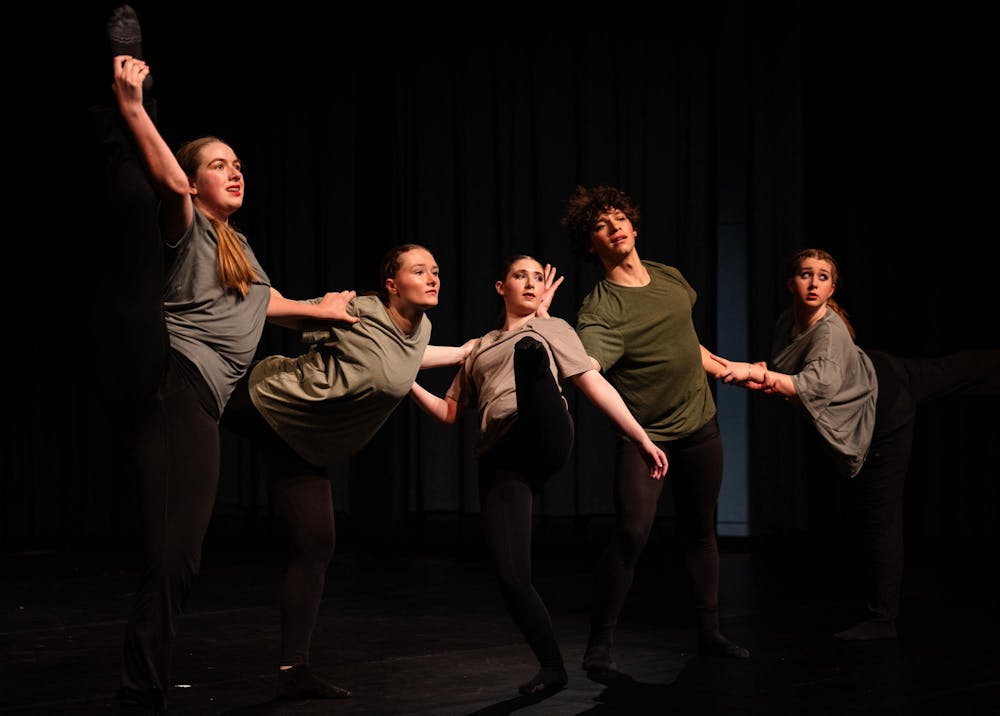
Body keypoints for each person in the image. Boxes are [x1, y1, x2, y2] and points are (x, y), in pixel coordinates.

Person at [90, 6, 357, 714]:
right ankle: (139, 690)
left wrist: (320, 311)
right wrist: (133, 105)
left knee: (284, 422)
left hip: (219, 389)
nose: (233, 172)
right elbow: (170, 186)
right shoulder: (186, 222)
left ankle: (296, 651)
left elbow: (259, 304)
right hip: (179, 383)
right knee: (178, 554)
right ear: (194, 177)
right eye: (218, 164)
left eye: (238, 163)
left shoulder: (236, 245)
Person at [219, 243, 475, 699]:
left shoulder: (420, 330)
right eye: (420, 271)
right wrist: (319, 310)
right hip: (264, 405)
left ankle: (293, 670)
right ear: (393, 285)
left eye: (436, 270)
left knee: (317, 544)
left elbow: (406, 359)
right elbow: (277, 311)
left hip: (304, 445)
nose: (434, 277)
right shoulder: (360, 309)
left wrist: (461, 352)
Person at [408, 255, 668, 695]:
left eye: (535, 276)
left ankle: (531, 369)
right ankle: (551, 667)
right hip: (502, 454)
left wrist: (641, 438)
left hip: (546, 431)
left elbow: (592, 382)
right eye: (518, 276)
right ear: (500, 286)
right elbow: (449, 413)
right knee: (511, 577)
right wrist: (405, 382)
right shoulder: (481, 347)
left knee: (532, 359)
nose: (529, 282)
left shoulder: (553, 328)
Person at [715, 248, 1000, 639]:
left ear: (832, 288)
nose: (813, 283)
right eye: (805, 274)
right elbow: (791, 372)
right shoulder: (788, 320)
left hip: (884, 408)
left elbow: (817, 385)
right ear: (790, 282)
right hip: (881, 368)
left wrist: (754, 373)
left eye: (822, 277)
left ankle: (883, 619)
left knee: (880, 513)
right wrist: (767, 374)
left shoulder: (829, 331)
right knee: (955, 370)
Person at [561, 185, 751, 677]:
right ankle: (599, 642)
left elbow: (684, 340)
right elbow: (590, 368)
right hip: (648, 435)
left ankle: (708, 632)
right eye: (602, 225)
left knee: (699, 529)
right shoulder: (600, 309)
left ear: (634, 225)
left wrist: (722, 364)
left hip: (700, 425)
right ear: (591, 245)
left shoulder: (670, 277)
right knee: (631, 532)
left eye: (619, 217)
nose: (614, 227)